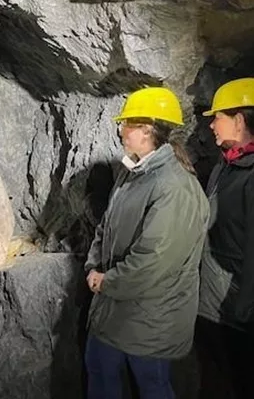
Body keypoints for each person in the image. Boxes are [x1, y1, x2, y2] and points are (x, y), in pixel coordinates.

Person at [84, 87, 209, 399]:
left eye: (127, 124)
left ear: (146, 130)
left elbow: (154, 259)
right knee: (99, 373)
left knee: (152, 388)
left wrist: (106, 281)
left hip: (149, 320)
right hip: (114, 309)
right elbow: (106, 227)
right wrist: (93, 267)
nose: (121, 130)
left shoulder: (175, 187)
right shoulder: (132, 174)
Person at [196, 77, 254, 399]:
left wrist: (245, 306)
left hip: (237, 311)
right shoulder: (225, 166)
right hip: (211, 301)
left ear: (240, 120)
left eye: (217, 117)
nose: (212, 125)